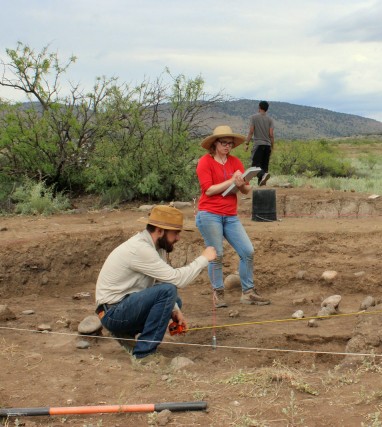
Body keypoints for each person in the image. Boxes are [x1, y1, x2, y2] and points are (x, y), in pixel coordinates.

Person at [95, 205, 216, 361]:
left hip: (119, 307)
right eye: (175, 233)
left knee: (174, 300)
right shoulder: (141, 249)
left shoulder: (157, 248)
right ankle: (144, 354)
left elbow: (160, 280)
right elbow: (177, 280)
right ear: (160, 231)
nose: (178, 238)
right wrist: (203, 259)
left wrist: (175, 310)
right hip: (113, 313)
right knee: (168, 291)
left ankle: (126, 334)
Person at [196, 125, 271, 308]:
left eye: (230, 143)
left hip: (230, 215)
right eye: (224, 143)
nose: (228, 146)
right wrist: (231, 181)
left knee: (247, 251)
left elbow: (245, 190)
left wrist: (242, 182)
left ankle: (248, 292)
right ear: (215, 143)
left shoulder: (235, 162)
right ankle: (218, 293)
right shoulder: (205, 162)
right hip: (209, 213)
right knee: (217, 254)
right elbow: (209, 190)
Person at [244, 100, 275, 186]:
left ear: (259, 107)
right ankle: (261, 186)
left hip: (258, 145)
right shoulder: (270, 120)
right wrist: (272, 146)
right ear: (267, 109)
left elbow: (251, 132)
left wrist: (247, 144)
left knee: (255, 167)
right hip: (268, 145)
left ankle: (263, 176)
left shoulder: (254, 117)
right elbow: (271, 135)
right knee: (264, 167)